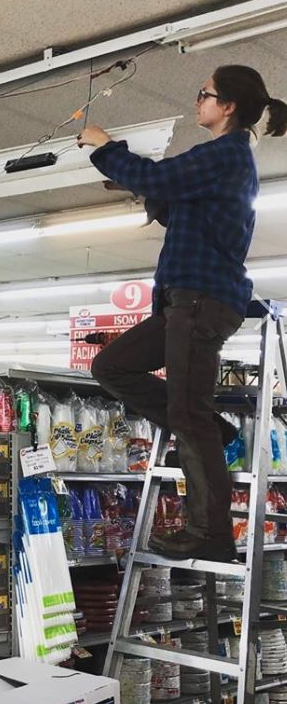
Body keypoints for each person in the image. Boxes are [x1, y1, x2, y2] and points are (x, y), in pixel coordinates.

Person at [79, 65, 287, 561]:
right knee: (111, 365)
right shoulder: (221, 163)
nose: (198, 100)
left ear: (228, 105)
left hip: (201, 299)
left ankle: (210, 533)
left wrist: (105, 147)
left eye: (205, 94)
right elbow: (176, 203)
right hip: (183, 301)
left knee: (185, 413)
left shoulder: (225, 152)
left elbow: (159, 176)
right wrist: (146, 191)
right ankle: (209, 428)